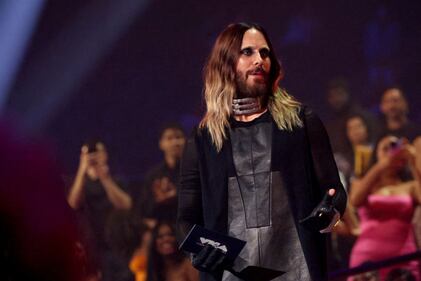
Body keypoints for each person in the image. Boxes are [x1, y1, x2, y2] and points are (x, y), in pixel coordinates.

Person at [177, 22, 347, 281]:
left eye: (265, 53)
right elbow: (186, 220)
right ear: (226, 62)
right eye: (248, 52)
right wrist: (199, 251)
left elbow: (334, 192)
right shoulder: (204, 139)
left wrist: (330, 210)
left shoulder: (302, 122)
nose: (259, 60)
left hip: (297, 272)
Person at [348, 136, 421, 281]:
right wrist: (383, 164)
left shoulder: (410, 186)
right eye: (385, 148)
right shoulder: (362, 183)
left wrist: (413, 161)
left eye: (394, 147)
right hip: (367, 256)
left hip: (403, 256)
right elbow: (355, 200)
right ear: (377, 153)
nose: (391, 152)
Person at [67, 140, 133, 281]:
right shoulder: (78, 183)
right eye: (88, 153)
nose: (92, 156)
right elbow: (73, 204)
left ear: (105, 154)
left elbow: (125, 206)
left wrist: (104, 177)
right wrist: (82, 168)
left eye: (96, 152)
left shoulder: (117, 180)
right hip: (91, 248)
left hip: (118, 247)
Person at [137, 124, 186, 222]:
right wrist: (158, 200)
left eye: (178, 137)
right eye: (169, 138)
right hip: (163, 230)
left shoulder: (196, 171)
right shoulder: (153, 175)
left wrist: (176, 196)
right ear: (161, 144)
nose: (175, 142)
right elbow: (143, 210)